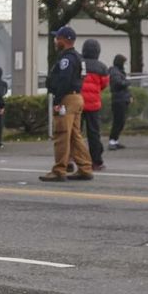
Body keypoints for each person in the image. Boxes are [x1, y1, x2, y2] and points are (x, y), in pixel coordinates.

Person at [40, 25, 92, 183]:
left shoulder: (66, 59)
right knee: (76, 136)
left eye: (58, 38)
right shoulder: (79, 57)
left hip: (67, 99)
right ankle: (85, 167)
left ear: (65, 40)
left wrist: (57, 101)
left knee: (62, 134)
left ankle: (59, 170)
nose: (56, 41)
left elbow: (64, 80)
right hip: (77, 98)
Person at [80, 39, 108, 171]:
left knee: (75, 133)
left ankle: (72, 159)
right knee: (94, 134)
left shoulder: (79, 64)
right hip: (93, 105)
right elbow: (104, 84)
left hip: (78, 103)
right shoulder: (102, 67)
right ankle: (96, 161)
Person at [106, 54, 131, 149]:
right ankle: (112, 141)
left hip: (122, 99)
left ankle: (115, 140)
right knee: (118, 121)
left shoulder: (119, 72)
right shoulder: (115, 72)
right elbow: (118, 83)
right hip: (118, 100)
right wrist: (127, 82)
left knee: (121, 121)